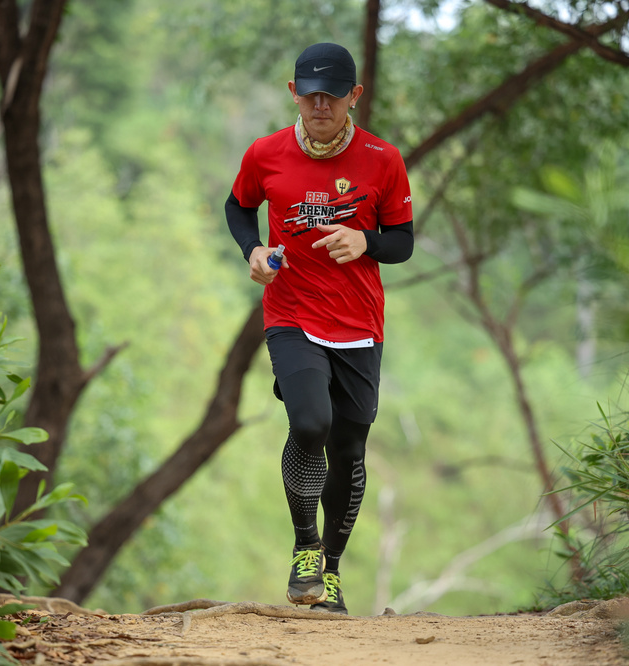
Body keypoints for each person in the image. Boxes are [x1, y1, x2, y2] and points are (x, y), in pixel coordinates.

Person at [225, 42, 413, 615]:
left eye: (332, 95)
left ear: (354, 96)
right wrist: (253, 249)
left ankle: (330, 572)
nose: (320, 105)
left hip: (359, 324)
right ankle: (305, 548)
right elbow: (238, 206)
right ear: (294, 93)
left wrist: (365, 241)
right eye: (310, 95)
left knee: (349, 450)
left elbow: (402, 242)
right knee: (310, 423)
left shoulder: (383, 159)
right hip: (292, 315)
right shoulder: (266, 154)